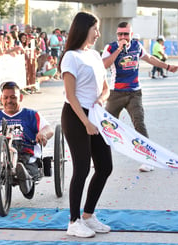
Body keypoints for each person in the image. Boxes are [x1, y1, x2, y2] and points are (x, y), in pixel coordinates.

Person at [59, 12, 112, 238]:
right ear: (83, 29)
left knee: (105, 167)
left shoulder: (95, 55)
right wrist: (86, 122)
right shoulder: (71, 57)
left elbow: (106, 87)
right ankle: (74, 221)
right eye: (95, 29)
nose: (98, 34)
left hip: (96, 114)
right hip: (76, 115)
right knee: (81, 168)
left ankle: (88, 215)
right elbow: (71, 96)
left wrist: (101, 100)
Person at [102, 21, 178, 172]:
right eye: (120, 34)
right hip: (115, 92)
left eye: (126, 34)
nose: (123, 37)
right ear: (117, 35)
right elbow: (103, 64)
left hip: (134, 93)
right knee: (107, 126)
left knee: (139, 124)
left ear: (131, 34)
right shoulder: (110, 47)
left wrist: (167, 66)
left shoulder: (137, 46)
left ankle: (147, 160)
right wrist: (118, 50)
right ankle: (100, 158)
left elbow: (150, 58)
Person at [0, 81, 53, 197]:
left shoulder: (30, 115)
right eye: (5, 98)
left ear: (20, 97)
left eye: (13, 97)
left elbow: (48, 128)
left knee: (24, 165)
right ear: (1, 99)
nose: (9, 101)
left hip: (25, 153)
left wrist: (43, 134)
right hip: (0, 155)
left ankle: (26, 179)